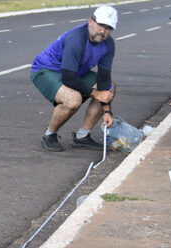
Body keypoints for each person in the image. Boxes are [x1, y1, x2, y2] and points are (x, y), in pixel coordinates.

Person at [30, 5, 118, 152]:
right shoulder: (76, 39)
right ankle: (49, 134)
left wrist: (107, 111)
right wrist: (96, 94)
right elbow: (69, 79)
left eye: (108, 28)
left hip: (74, 71)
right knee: (73, 99)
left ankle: (82, 137)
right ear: (90, 21)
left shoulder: (108, 44)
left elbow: (104, 78)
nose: (103, 31)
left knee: (110, 87)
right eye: (101, 25)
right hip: (46, 70)